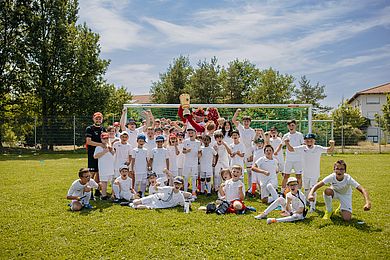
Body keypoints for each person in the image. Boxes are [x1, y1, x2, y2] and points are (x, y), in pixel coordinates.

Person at [285, 133, 335, 212]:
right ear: (305, 141)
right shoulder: (302, 148)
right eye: (307, 141)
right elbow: (291, 149)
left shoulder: (318, 148)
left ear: (314, 141)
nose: (309, 142)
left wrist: (332, 144)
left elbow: (329, 150)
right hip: (305, 173)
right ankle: (305, 203)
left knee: (313, 189)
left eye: (311, 140)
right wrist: (287, 143)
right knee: (306, 189)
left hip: (314, 174)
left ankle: (312, 207)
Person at [232, 109, 256, 195]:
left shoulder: (252, 131)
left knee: (249, 172)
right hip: (240, 151)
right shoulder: (240, 128)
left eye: (247, 121)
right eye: (245, 121)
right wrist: (237, 112)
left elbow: (253, 142)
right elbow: (233, 120)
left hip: (249, 152)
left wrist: (252, 154)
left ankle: (250, 188)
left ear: (250, 122)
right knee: (238, 170)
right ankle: (236, 187)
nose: (246, 123)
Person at [277, 120, 304, 192]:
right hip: (289, 159)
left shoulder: (300, 135)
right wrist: (276, 152)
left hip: (298, 159)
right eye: (289, 126)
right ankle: (282, 192)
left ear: (295, 126)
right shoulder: (286, 135)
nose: (291, 127)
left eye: (292, 125)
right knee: (286, 176)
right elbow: (281, 144)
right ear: (287, 126)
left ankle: (299, 192)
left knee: (298, 176)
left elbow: (303, 145)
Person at [85, 112, 106, 198]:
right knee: (92, 173)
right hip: (92, 154)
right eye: (96, 118)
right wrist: (100, 144)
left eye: (99, 118)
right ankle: (89, 192)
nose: (98, 120)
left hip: (101, 154)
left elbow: (106, 140)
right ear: (93, 119)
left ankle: (97, 190)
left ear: (102, 119)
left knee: (99, 173)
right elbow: (88, 141)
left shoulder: (103, 129)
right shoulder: (89, 128)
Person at [93, 132, 115, 200]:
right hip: (103, 167)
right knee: (104, 182)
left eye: (107, 138)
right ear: (101, 139)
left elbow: (113, 154)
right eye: (104, 138)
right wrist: (104, 152)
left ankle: (114, 195)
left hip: (111, 167)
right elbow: (95, 156)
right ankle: (104, 195)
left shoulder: (109, 146)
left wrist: (111, 151)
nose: (105, 140)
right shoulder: (99, 147)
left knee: (113, 181)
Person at [182, 128, 201, 197]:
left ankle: (193, 192)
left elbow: (199, 152)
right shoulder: (185, 141)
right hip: (187, 163)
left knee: (194, 178)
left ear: (195, 134)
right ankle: (185, 191)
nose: (190, 134)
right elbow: (183, 151)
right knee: (186, 177)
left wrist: (199, 155)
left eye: (192, 133)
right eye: (189, 133)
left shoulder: (198, 142)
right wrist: (187, 151)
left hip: (194, 163)